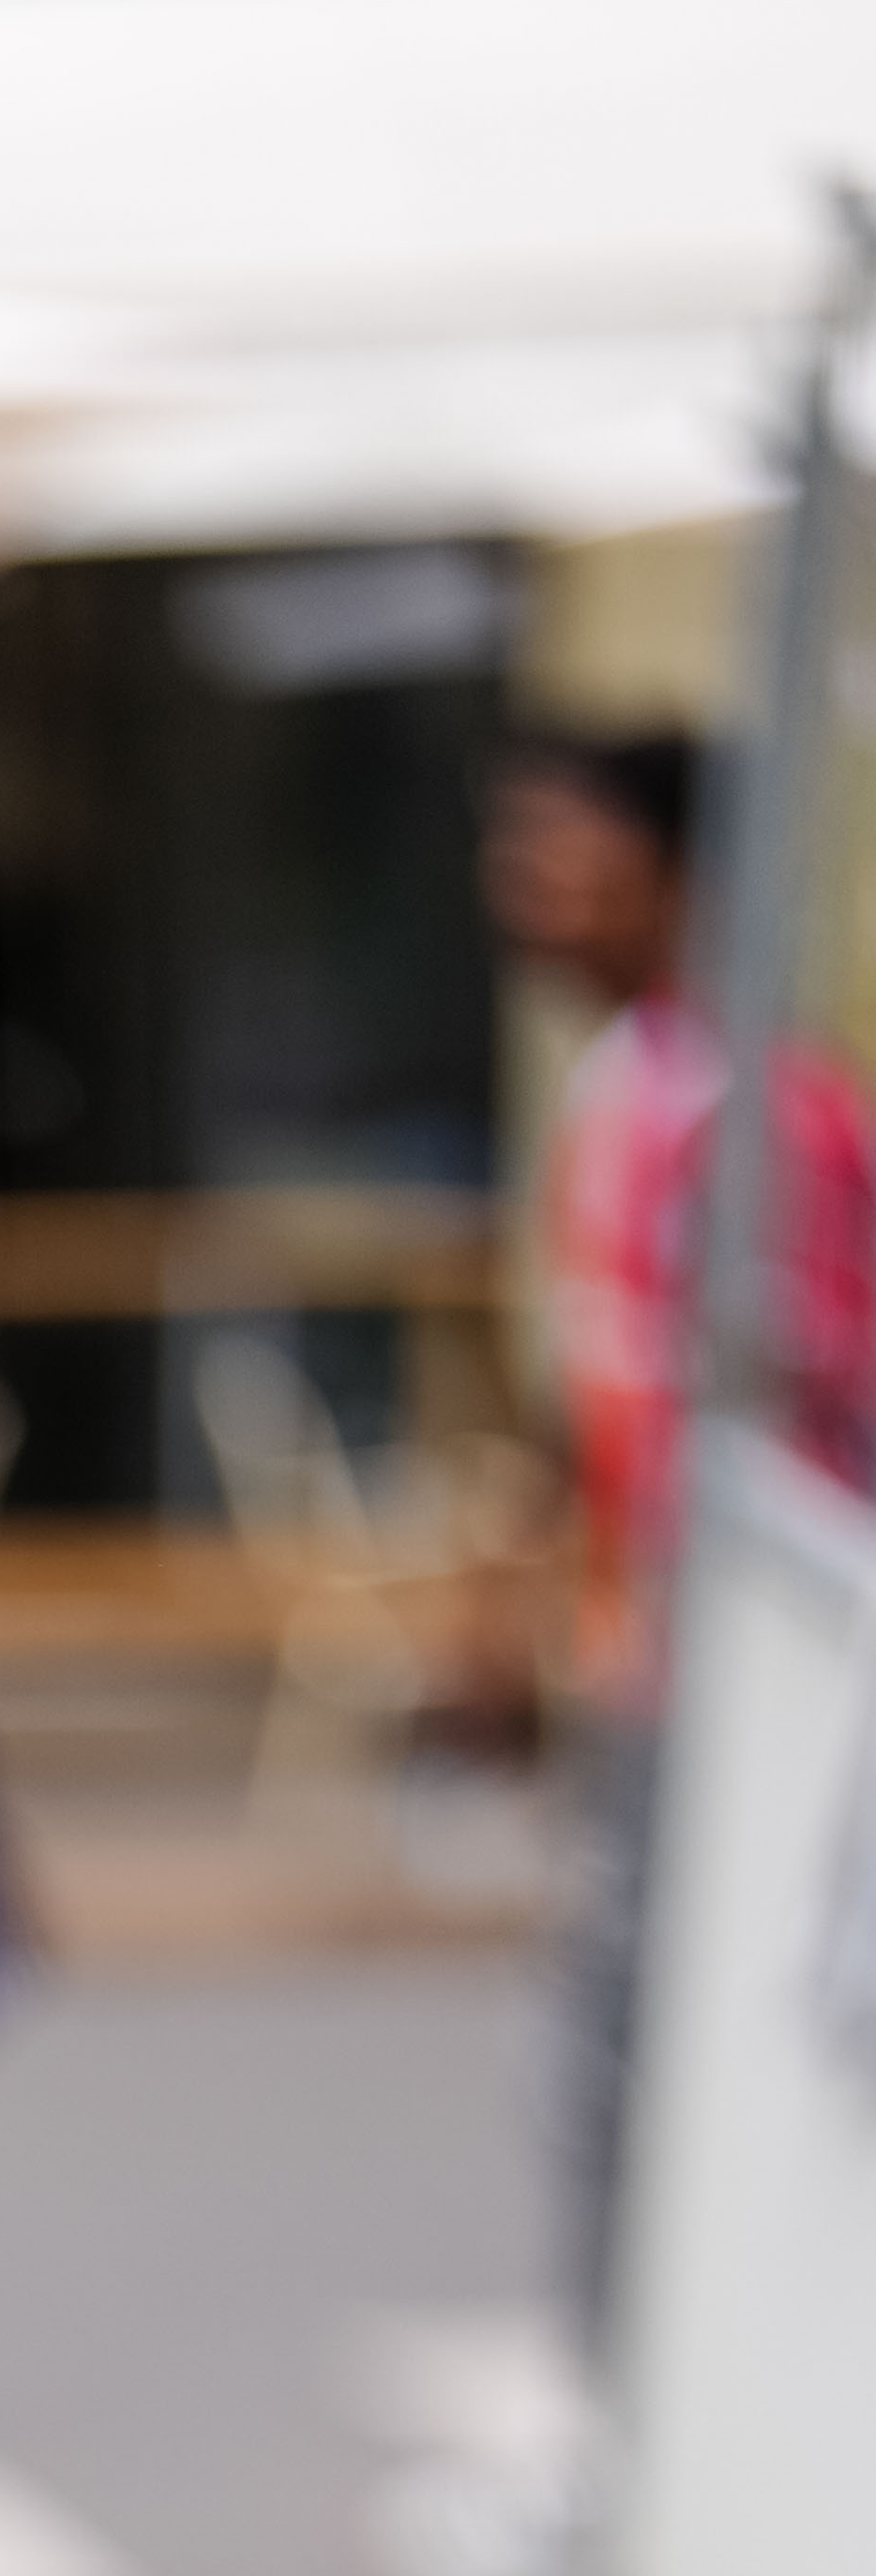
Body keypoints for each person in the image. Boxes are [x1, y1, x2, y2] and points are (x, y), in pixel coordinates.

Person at [482, 718, 876, 2313]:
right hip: (645, 1650)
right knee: (617, 2058)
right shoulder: (624, 1085)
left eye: (568, 858)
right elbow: (595, 1391)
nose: (529, 893)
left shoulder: (760, 1112)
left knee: (657, 2057)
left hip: (760, 1676)